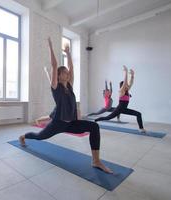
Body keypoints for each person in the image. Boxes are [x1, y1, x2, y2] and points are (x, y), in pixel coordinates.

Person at [19, 37, 112, 173]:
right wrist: (50, 47)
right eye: (65, 73)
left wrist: (68, 53)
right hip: (58, 123)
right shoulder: (55, 87)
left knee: (94, 127)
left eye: (68, 73)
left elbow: (72, 67)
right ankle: (24, 136)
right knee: (39, 136)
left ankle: (96, 161)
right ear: (59, 75)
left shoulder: (70, 85)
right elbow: (54, 65)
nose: (68, 74)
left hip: (71, 123)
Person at [95, 66, 146, 133]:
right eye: (126, 85)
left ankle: (141, 129)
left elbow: (131, 83)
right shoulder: (121, 91)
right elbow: (125, 82)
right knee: (107, 118)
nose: (128, 86)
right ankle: (96, 120)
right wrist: (126, 72)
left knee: (138, 114)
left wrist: (133, 75)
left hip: (124, 109)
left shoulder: (127, 91)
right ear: (123, 86)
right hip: (119, 109)